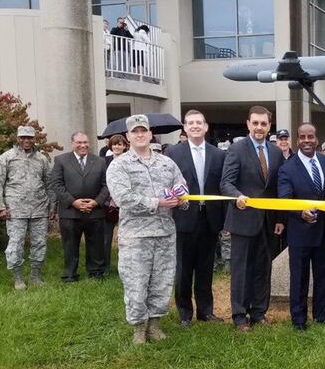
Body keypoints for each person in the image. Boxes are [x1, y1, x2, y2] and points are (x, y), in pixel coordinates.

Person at [106, 115, 189, 344]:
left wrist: (182, 197)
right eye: (135, 132)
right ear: (128, 137)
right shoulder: (119, 165)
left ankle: (154, 324)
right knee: (136, 283)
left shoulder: (166, 163)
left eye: (144, 131)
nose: (140, 135)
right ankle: (138, 328)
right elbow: (123, 198)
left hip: (164, 233)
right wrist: (158, 202)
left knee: (161, 282)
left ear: (151, 134)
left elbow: (181, 185)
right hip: (136, 236)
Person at [220, 105, 286, 332]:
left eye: (264, 124)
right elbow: (225, 183)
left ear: (269, 126)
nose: (259, 127)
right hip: (242, 219)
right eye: (255, 123)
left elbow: (276, 189)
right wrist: (237, 196)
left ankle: (259, 312)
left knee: (262, 268)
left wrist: (279, 218)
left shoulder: (276, 152)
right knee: (241, 270)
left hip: (268, 222)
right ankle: (239, 316)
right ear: (248, 124)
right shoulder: (236, 149)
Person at [166, 110, 227, 328]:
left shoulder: (218, 155)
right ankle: (184, 313)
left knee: (205, 267)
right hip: (183, 217)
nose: (195, 126)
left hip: (210, 218)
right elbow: (167, 184)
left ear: (206, 126)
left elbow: (222, 187)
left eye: (199, 122)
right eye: (190, 123)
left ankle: (205, 311)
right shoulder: (173, 153)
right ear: (184, 127)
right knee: (183, 269)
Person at [278, 123, 325, 331]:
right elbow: (285, 199)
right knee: (299, 278)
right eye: (302, 137)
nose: (307, 141)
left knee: (323, 275)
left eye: (310, 136)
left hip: (324, 231)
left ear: (316, 139)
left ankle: (321, 315)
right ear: (297, 141)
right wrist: (300, 213)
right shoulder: (287, 168)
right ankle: (299, 320)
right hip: (300, 232)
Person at [0, 126, 56, 290]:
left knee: (40, 243)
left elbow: (50, 184)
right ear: (18, 138)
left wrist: (52, 207)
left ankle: (35, 276)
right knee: (15, 244)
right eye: (23, 137)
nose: (26, 141)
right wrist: (0, 207)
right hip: (15, 210)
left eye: (30, 138)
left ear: (34, 139)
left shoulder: (41, 159)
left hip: (39, 209)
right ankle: (18, 278)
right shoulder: (7, 157)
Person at [51, 131, 109, 282]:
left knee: (96, 245)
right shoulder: (61, 160)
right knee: (70, 246)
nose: (83, 145)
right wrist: (73, 202)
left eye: (86, 142)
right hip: (70, 212)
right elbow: (56, 184)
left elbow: (107, 185)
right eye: (79, 142)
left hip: (95, 211)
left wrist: (96, 201)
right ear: (72, 143)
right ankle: (70, 275)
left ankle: (96, 274)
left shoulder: (100, 161)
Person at [103, 134, 128, 274]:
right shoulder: (104, 161)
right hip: (109, 205)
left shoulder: (130, 161)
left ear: (125, 146)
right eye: (114, 144)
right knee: (106, 238)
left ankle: (124, 268)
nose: (117, 147)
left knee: (126, 238)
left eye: (120, 144)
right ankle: (106, 267)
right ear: (110, 146)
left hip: (126, 204)